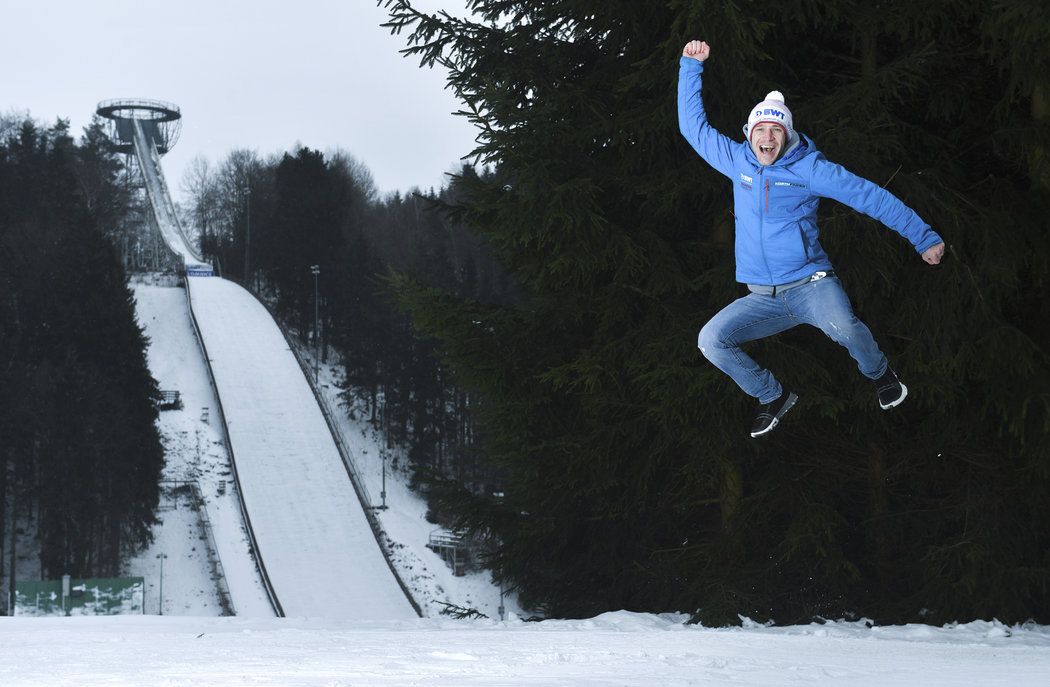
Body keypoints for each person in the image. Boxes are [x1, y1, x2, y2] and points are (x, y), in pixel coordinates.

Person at [678, 39, 945, 438]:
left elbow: (870, 196)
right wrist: (690, 66)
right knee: (711, 340)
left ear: (786, 134)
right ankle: (772, 396)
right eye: (760, 130)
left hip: (811, 287)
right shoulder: (737, 161)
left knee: (844, 326)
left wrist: (922, 237)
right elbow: (692, 127)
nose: (766, 138)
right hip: (762, 298)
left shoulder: (810, 170)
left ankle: (881, 374)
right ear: (749, 132)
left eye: (775, 130)